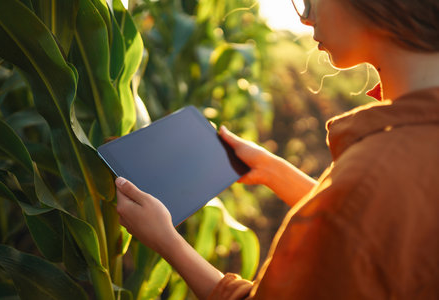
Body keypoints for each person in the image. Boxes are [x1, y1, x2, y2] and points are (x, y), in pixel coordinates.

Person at [116, 0, 439, 298]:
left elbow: (359, 217)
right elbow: (383, 239)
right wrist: (275, 172)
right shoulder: (403, 159)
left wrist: (166, 241)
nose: (306, 18)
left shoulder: (370, 176)